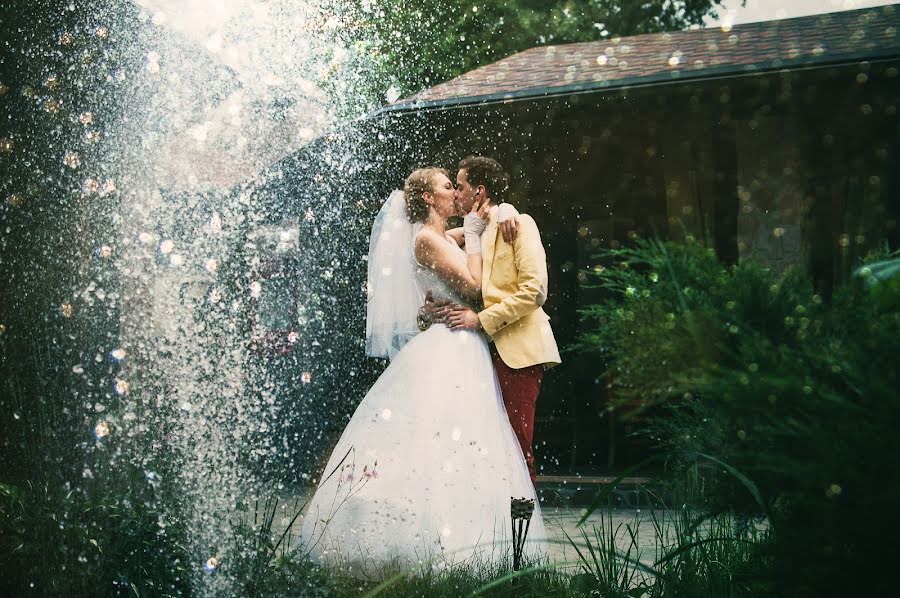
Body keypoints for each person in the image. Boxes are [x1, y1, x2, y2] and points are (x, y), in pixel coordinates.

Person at [298, 167, 546, 574]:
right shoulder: (428, 239)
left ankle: (483, 541)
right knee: (446, 440)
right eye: (448, 187)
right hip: (452, 347)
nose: (455, 192)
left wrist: (502, 212)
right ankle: (446, 545)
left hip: (463, 343)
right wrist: (472, 229)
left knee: (470, 440)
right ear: (429, 199)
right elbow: (473, 285)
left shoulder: (442, 237)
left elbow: (483, 234)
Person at [425, 156, 561, 484]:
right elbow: (439, 242)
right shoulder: (477, 229)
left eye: (460, 186)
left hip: (518, 350)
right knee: (492, 447)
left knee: (517, 446)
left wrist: (481, 319)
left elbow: (535, 290)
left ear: (479, 191)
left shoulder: (517, 223)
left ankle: (523, 532)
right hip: (482, 355)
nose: (456, 193)